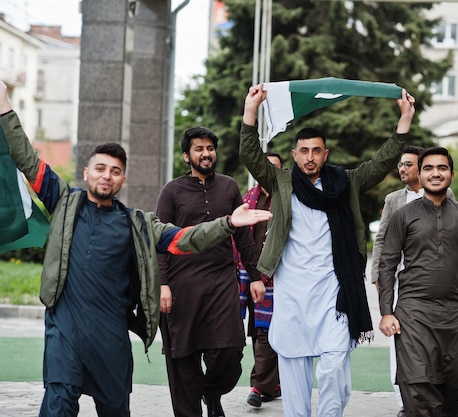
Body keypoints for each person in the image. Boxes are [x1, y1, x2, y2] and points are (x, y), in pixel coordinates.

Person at [0, 80, 272, 417]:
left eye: (115, 172)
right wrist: (4, 105)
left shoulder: (137, 223)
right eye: (99, 169)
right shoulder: (63, 202)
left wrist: (228, 223)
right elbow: (26, 158)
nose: (106, 176)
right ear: (86, 173)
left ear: (122, 181)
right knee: (58, 403)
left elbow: (184, 238)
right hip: (65, 329)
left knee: (115, 409)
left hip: (111, 334)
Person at [239, 83, 416, 417]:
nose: (310, 157)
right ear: (294, 155)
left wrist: (404, 120)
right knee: (293, 368)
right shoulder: (280, 181)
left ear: (325, 153)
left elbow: (381, 163)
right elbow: (249, 154)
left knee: (334, 364)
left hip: (334, 291)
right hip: (292, 292)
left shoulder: (345, 182)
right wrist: (252, 110)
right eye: (303, 150)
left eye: (316, 150)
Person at [156, 126, 265, 417]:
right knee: (184, 358)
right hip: (183, 287)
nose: (206, 154)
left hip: (221, 283)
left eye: (210, 148)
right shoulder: (172, 191)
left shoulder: (229, 186)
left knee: (229, 352)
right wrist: (163, 284)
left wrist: (255, 276)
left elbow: (243, 236)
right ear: (186, 156)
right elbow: (159, 241)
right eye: (199, 149)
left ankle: (212, 392)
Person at [378, 146, 458, 417]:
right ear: (420, 173)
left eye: (441, 168)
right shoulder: (403, 215)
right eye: (428, 168)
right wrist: (385, 312)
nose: (435, 173)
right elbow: (387, 263)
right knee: (417, 383)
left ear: (451, 174)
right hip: (414, 313)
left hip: (456, 312)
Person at [370, 145, 454, 417]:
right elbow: (381, 238)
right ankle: (405, 403)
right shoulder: (394, 199)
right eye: (400, 165)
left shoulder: (446, 195)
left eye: (407, 164)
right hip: (399, 282)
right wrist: (377, 276)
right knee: (400, 341)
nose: (402, 169)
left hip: (434, 284)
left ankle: (433, 396)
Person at [234, 151, 284, 408]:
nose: (267, 170)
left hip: (278, 279)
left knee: (266, 331)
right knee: (256, 330)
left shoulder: (287, 200)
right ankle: (273, 385)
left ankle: (259, 386)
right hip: (249, 276)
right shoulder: (248, 200)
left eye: (273, 167)